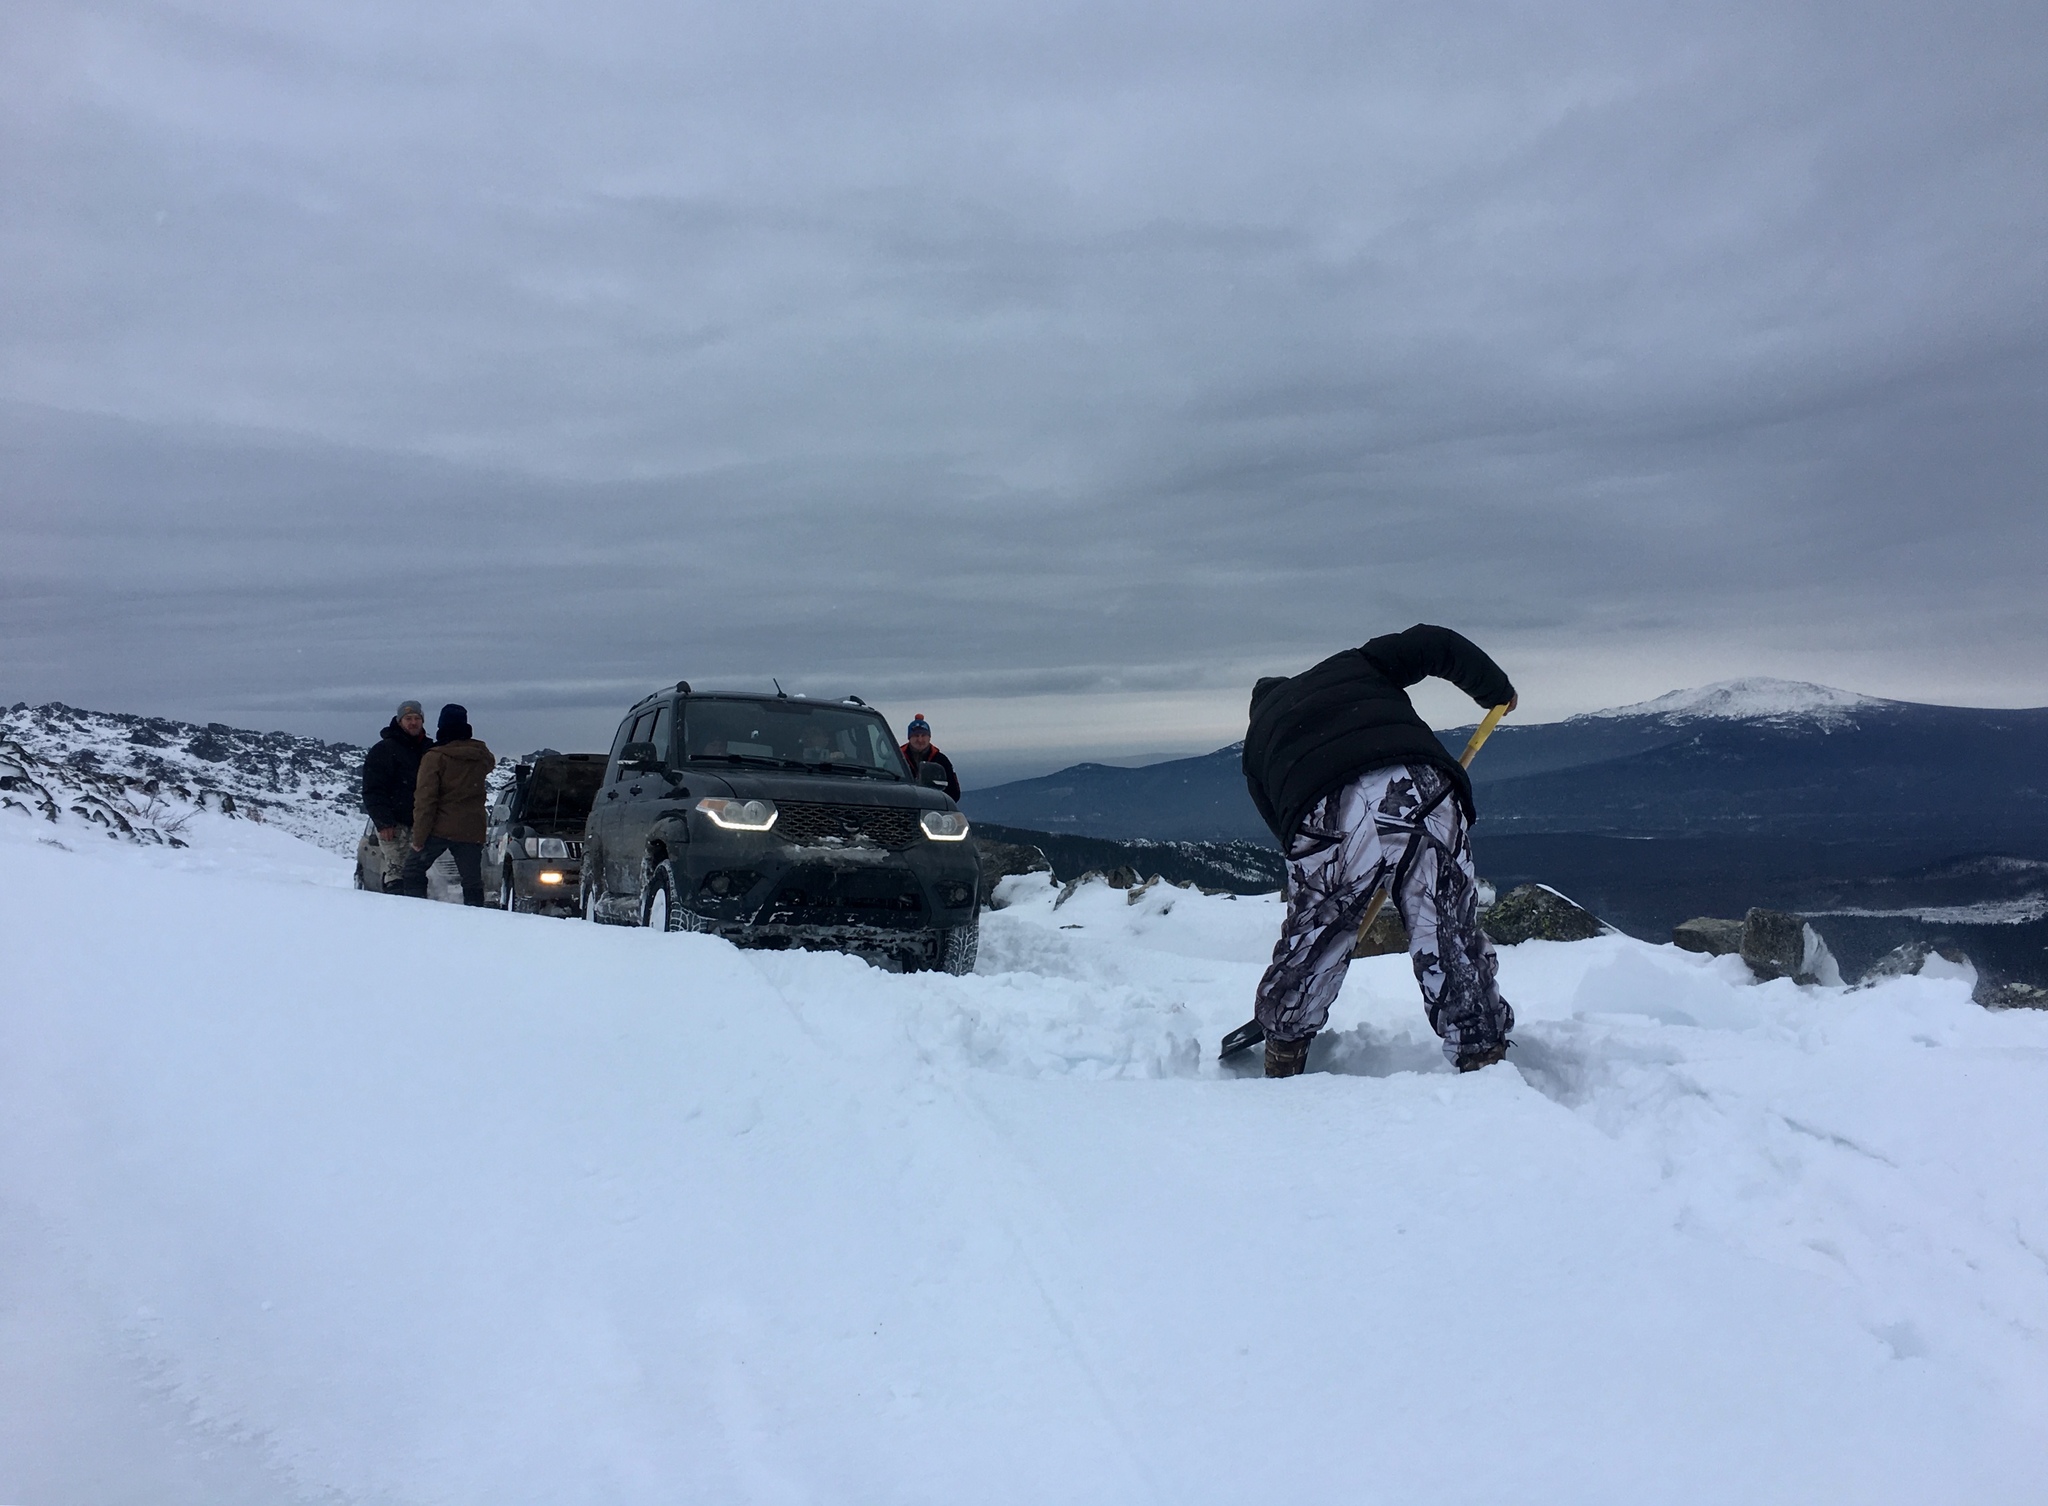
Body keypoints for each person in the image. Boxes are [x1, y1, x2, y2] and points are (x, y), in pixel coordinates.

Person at [1240, 624, 1518, 1078]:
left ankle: (1285, 1048)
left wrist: (1336, 877)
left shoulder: (1258, 740)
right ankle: (1482, 1053)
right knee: (1445, 926)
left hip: (1324, 809)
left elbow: (1283, 826)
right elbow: (1435, 644)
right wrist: (1495, 688)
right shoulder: (1357, 664)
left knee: (1315, 937)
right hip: (1419, 783)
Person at [400, 703, 495, 906]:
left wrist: (419, 837)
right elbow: (489, 765)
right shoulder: (480, 754)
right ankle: (478, 919)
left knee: (412, 870)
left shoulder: (435, 757)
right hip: (472, 828)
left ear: (442, 727)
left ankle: (414, 911)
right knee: (472, 881)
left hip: (440, 828)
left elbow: (426, 800)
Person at [361, 699, 431, 893]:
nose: (413, 722)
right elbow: (372, 789)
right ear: (399, 721)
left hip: (423, 825)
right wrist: (383, 822)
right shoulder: (383, 750)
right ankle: (397, 917)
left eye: (417, 718)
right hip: (394, 827)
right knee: (396, 875)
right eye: (408, 718)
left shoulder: (430, 751)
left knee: (418, 875)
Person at [900, 715, 960, 800]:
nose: (920, 740)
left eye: (923, 735)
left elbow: (954, 793)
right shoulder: (897, 759)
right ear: (909, 738)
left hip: (933, 809)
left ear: (929, 737)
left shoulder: (941, 760)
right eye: (916, 735)